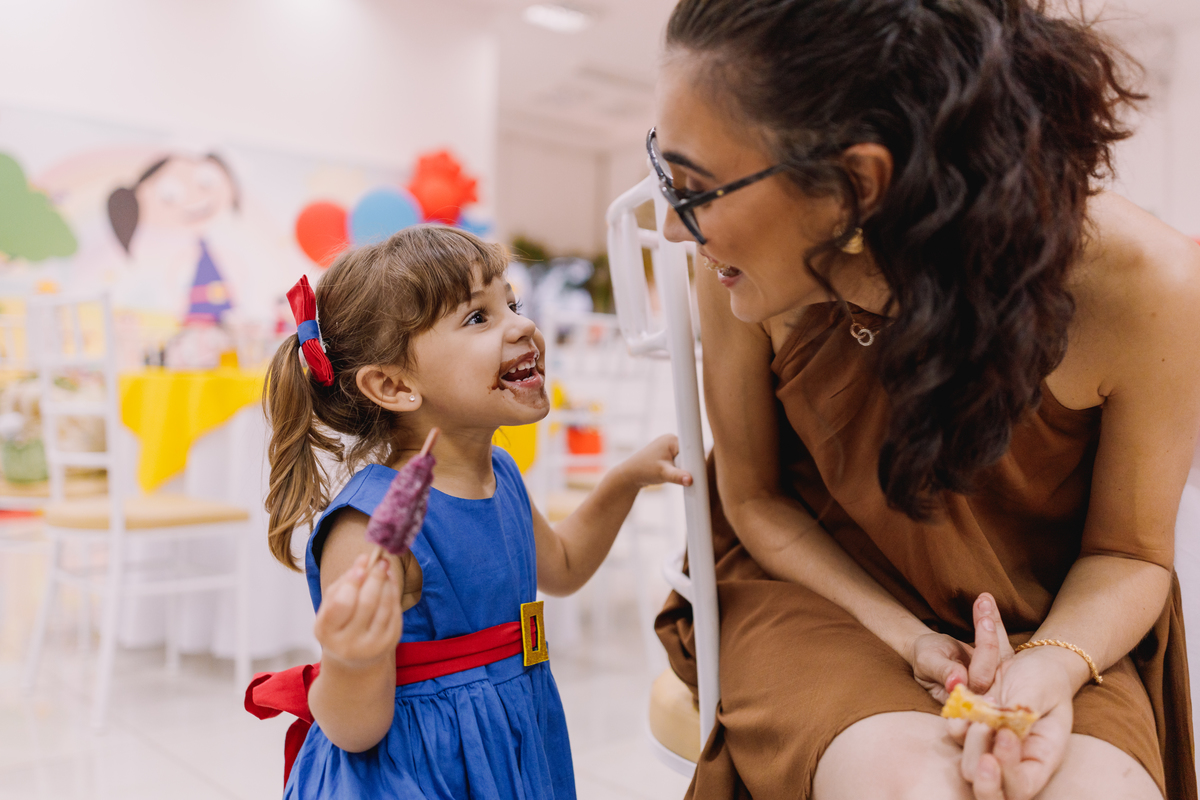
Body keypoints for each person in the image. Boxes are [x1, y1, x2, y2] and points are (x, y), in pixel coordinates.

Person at [650, 1, 1200, 799]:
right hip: (814, 588)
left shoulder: (1146, 288)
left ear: (857, 183)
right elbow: (756, 501)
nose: (673, 227)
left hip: (1058, 615)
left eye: (696, 190)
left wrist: (1048, 667)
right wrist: (906, 637)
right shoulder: (736, 270)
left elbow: (1128, 552)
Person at [246, 225, 692, 799]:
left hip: (511, 743)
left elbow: (564, 565)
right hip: (420, 772)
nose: (523, 324)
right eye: (478, 318)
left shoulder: (500, 472)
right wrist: (349, 661)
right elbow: (354, 730)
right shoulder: (366, 530)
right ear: (393, 384)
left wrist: (624, 480)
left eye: (512, 303)